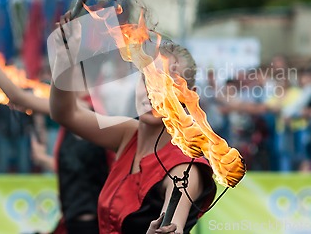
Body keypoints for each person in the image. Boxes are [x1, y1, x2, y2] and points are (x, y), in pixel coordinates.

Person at [49, 13, 217, 234]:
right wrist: (65, 59)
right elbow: (65, 113)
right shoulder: (128, 134)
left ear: (189, 96)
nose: (152, 93)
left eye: (168, 84)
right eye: (147, 79)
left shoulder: (184, 168)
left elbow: (173, 223)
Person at [0, 19, 109, 234]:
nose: (56, 80)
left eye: (64, 71)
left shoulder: (86, 111)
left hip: (90, 226)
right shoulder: (75, 117)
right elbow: (81, 171)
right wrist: (47, 160)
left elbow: (17, 96)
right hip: (72, 223)